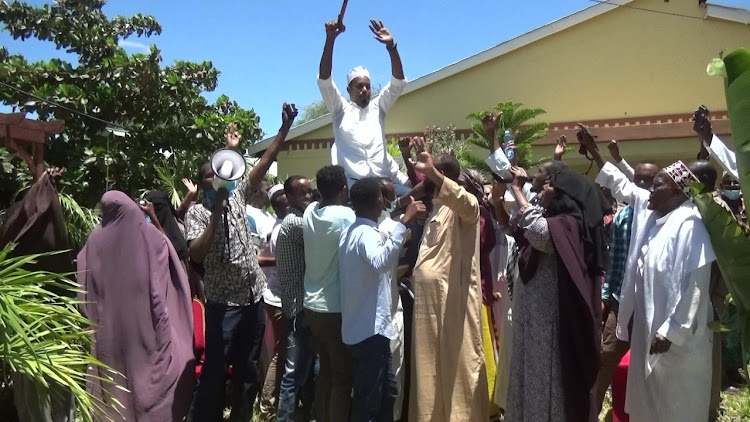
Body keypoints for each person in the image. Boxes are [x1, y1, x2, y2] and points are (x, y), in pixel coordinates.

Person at [582, 128, 717, 422]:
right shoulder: (656, 216)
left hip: (676, 342)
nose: (649, 191)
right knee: (649, 403)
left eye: (657, 186)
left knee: (675, 406)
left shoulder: (689, 224)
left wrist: (673, 330)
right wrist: (594, 152)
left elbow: (696, 283)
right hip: (649, 332)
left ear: (678, 192)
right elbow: (623, 185)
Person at [186, 103, 297, 421]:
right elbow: (197, 253)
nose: (215, 180)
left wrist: (284, 128)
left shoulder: (237, 195)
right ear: (202, 182)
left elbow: (265, 162)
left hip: (252, 300)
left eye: (218, 174)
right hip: (224, 305)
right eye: (208, 177)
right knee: (215, 371)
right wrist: (217, 207)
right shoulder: (197, 212)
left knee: (248, 371)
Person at [77, 191, 195, 421]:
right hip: (146, 329)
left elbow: (82, 284)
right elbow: (171, 279)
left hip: (107, 330)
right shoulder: (150, 237)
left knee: (113, 379)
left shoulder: (93, 241)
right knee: (150, 381)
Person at [504, 164, 606, 422]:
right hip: (533, 320)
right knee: (528, 377)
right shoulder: (554, 219)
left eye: (550, 184)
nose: (545, 187)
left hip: (550, 322)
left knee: (544, 381)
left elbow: (540, 235)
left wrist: (517, 191)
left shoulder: (569, 224)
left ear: (564, 193)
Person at [405, 138, 489, 422]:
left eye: (433, 173)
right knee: (428, 370)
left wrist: (433, 174)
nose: (426, 178)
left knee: (459, 366)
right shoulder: (436, 208)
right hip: (428, 305)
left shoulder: (465, 205)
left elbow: (467, 204)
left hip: (453, 301)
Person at [339, 177, 426, 422]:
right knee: (369, 398)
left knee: (388, 392)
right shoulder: (365, 233)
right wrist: (405, 221)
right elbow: (382, 261)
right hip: (368, 332)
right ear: (378, 200)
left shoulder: (352, 232)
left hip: (369, 327)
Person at [1, 168, 77, 422]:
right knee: (57, 403)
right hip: (55, 331)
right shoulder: (55, 243)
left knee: (33, 403)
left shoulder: (15, 241)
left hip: (27, 333)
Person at [594, 141, 661, 412]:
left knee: (651, 367)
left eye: (649, 181)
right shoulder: (622, 218)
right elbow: (616, 263)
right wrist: (605, 297)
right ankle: (590, 412)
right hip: (621, 303)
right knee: (605, 359)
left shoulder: (662, 218)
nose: (643, 185)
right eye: (639, 180)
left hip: (653, 308)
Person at [318, 17, 410, 196]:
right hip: (356, 190)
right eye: (359, 86)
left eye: (367, 86)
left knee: (418, 199)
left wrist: (391, 47)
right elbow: (324, 80)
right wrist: (330, 40)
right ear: (349, 90)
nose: (365, 90)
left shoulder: (378, 108)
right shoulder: (340, 110)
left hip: (385, 186)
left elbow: (398, 82)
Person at [302, 165, 356, 422]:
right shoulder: (346, 216)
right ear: (344, 189)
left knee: (325, 371)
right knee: (342, 377)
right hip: (334, 308)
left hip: (312, 306)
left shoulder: (311, 212)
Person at [276, 175, 315, 422]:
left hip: (305, 306)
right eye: (303, 193)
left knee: (309, 367)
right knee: (292, 371)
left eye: (310, 192)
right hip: (297, 307)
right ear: (289, 198)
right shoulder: (294, 224)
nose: (309, 197)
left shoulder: (302, 220)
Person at [258, 185, 291, 421]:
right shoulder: (283, 229)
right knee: (282, 353)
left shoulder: (279, 226)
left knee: (283, 351)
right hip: (281, 298)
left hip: (277, 296)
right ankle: (268, 406)